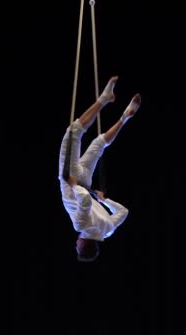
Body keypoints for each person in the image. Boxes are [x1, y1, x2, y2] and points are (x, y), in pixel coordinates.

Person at [58, 75, 142, 262]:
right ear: (83, 246)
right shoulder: (81, 227)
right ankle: (104, 99)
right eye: (77, 248)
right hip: (72, 182)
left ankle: (123, 118)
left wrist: (105, 200)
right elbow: (86, 201)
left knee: (98, 144)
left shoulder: (108, 231)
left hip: (85, 182)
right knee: (74, 132)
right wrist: (73, 186)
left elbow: (123, 212)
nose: (75, 245)